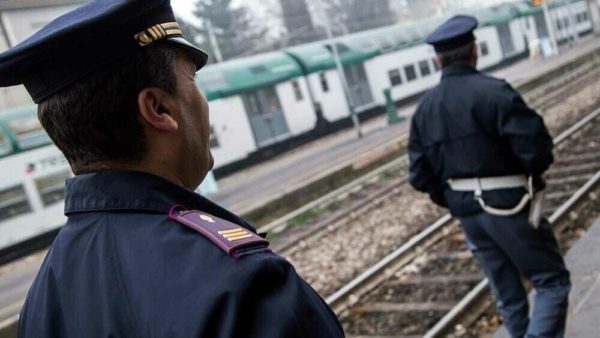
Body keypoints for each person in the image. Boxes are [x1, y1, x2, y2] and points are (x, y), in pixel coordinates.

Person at [0, 1, 345, 337]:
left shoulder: (43, 299)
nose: (202, 101)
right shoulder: (244, 286)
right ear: (158, 108)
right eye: (193, 80)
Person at [408, 15, 570, 338]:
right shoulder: (494, 93)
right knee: (551, 281)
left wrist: (456, 198)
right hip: (509, 205)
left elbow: (419, 174)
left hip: (470, 216)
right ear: (474, 51)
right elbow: (536, 148)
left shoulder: (424, 110)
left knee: (508, 294)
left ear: (436, 60)